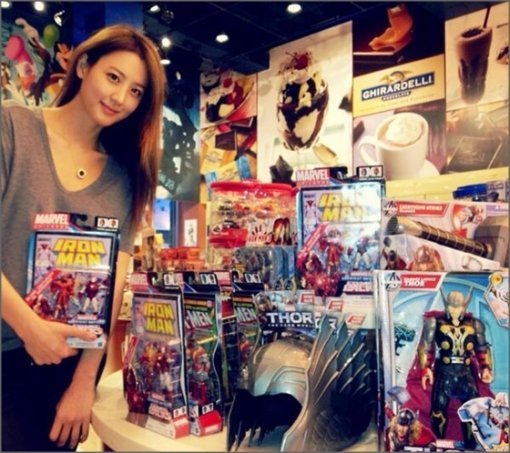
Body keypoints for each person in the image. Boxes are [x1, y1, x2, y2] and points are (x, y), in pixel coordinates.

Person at [1, 23, 166, 451]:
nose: (120, 97)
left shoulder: (125, 177)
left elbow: (112, 285)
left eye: (136, 91)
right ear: (84, 66)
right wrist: (30, 328)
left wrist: (83, 383)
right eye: (113, 77)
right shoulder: (12, 126)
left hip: (63, 366)